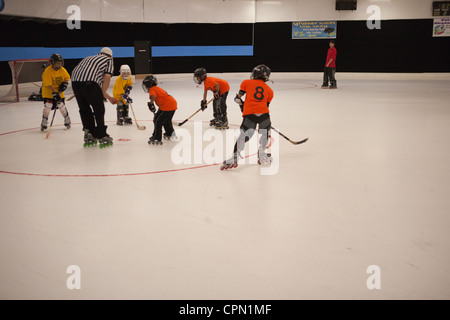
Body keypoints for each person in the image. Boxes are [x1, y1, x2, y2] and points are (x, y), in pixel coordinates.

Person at [221, 64, 274, 170]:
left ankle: (234, 158)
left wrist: (242, 105)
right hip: (264, 115)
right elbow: (265, 106)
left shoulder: (246, 82)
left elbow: (238, 99)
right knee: (265, 134)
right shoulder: (269, 90)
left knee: (244, 136)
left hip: (249, 114)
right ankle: (262, 154)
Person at [71, 47, 117, 147]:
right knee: (98, 109)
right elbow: (107, 77)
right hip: (90, 83)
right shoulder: (108, 60)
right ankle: (101, 135)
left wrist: (108, 97)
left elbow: (98, 85)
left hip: (75, 82)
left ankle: (89, 133)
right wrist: (103, 94)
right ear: (110, 56)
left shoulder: (89, 58)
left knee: (84, 109)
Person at [142, 75, 177, 145]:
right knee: (165, 121)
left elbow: (153, 96)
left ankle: (157, 138)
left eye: (146, 85)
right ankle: (170, 134)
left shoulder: (152, 89)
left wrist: (151, 104)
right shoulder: (156, 88)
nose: (146, 87)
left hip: (167, 106)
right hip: (171, 105)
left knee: (158, 121)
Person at [40, 53, 71, 131]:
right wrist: (54, 93)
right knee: (48, 104)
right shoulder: (47, 71)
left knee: (61, 104)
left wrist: (64, 84)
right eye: (57, 62)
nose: (59, 64)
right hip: (48, 92)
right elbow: (49, 84)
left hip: (59, 91)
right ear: (53, 63)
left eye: (60, 62)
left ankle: (67, 119)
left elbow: (67, 77)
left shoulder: (62, 70)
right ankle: (44, 119)